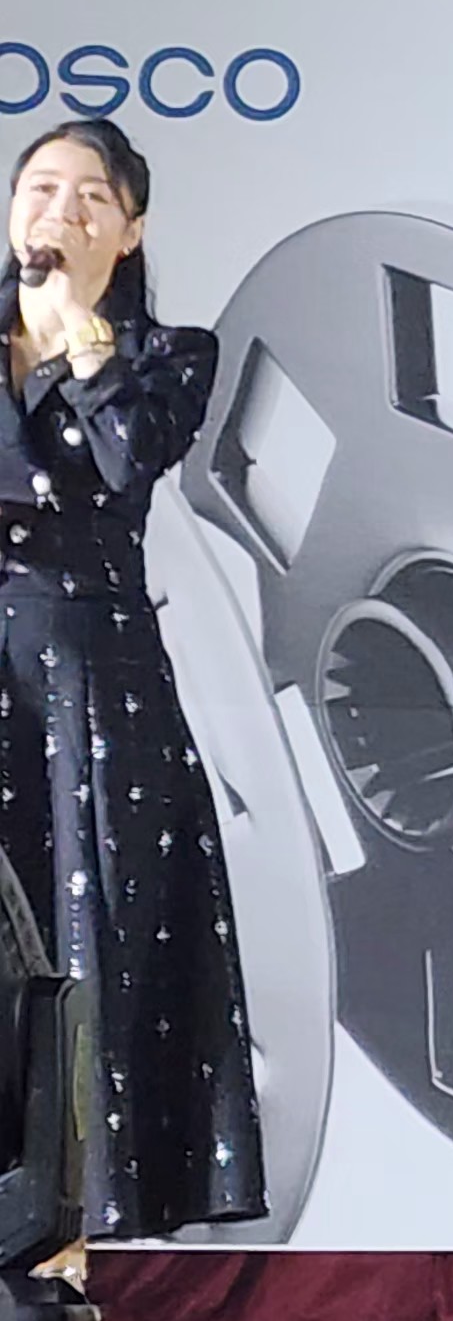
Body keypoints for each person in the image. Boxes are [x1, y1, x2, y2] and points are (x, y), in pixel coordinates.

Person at [1, 117, 265, 1239]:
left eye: (89, 198)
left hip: (90, 689)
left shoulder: (169, 356)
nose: (58, 212)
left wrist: (81, 344)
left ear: (131, 229)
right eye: (39, 189)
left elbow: (125, 463)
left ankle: (63, 1242)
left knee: (87, 932)